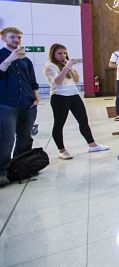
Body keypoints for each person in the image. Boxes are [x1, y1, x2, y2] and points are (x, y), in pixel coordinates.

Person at [44, 44, 109, 160]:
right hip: (59, 97)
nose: (63, 55)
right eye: (59, 53)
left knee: (83, 120)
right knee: (59, 123)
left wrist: (70, 67)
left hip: (73, 95)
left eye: (65, 53)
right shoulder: (50, 66)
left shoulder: (65, 64)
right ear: (53, 54)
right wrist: (66, 67)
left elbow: (76, 79)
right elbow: (57, 82)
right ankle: (62, 150)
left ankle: (92, 145)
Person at [0, 27, 40, 187]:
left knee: (25, 138)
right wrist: (10, 59)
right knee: (7, 139)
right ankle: (2, 171)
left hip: (28, 104)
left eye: (19, 38)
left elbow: (32, 81)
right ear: (4, 38)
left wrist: (36, 97)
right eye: (12, 37)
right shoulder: (2, 56)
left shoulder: (25, 60)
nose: (16, 40)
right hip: (7, 105)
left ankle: (20, 167)